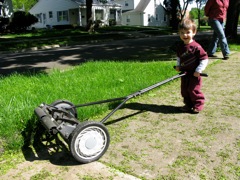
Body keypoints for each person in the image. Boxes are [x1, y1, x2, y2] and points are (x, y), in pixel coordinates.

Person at [175, 18, 208, 113]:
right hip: (184, 73)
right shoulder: (181, 47)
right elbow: (179, 57)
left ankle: (198, 104)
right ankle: (188, 104)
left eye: (187, 32)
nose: (185, 35)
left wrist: (199, 70)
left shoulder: (196, 47)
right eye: (182, 32)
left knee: (193, 90)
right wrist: (178, 66)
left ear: (194, 32)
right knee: (184, 90)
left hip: (194, 74)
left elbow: (204, 59)